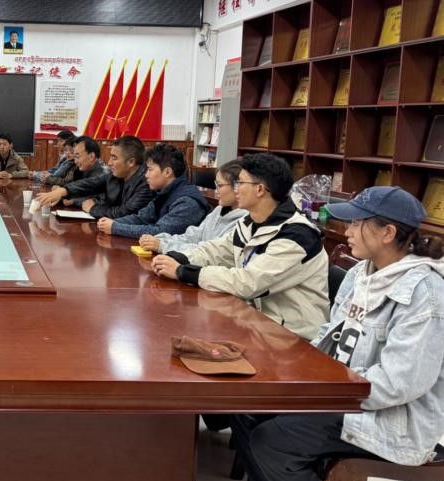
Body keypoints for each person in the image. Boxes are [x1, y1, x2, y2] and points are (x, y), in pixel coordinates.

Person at [230, 186, 444, 481]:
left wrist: (326, 393)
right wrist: (300, 377)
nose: (347, 231)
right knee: (245, 407)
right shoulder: (360, 274)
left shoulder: (425, 294)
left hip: (389, 416)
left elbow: (399, 383)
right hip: (341, 394)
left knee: (273, 440)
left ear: (387, 233)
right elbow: (330, 335)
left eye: (357, 223)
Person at [151, 152, 328, 340]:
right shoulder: (250, 223)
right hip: (256, 322)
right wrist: (177, 258)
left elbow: (248, 283)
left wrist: (183, 272)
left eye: (240, 183)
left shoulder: (296, 235)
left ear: (260, 189)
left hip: (292, 337)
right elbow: (215, 251)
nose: (236, 189)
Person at [97, 143, 208, 238]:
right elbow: (142, 218)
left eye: (150, 170)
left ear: (167, 172)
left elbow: (160, 232)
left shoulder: (187, 202)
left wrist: (115, 227)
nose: (146, 175)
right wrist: (111, 222)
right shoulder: (165, 192)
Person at [139, 160, 247, 255]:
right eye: (216, 184)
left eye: (220, 185)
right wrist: (160, 239)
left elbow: (207, 253)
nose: (216, 190)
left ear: (237, 187)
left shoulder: (244, 223)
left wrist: (163, 246)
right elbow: (192, 236)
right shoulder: (219, 210)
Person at [37, 135, 153, 219]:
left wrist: (93, 208)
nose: (109, 163)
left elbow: (125, 212)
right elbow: (91, 183)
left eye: (114, 158)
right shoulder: (116, 176)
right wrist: (63, 191)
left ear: (131, 162)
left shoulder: (146, 183)